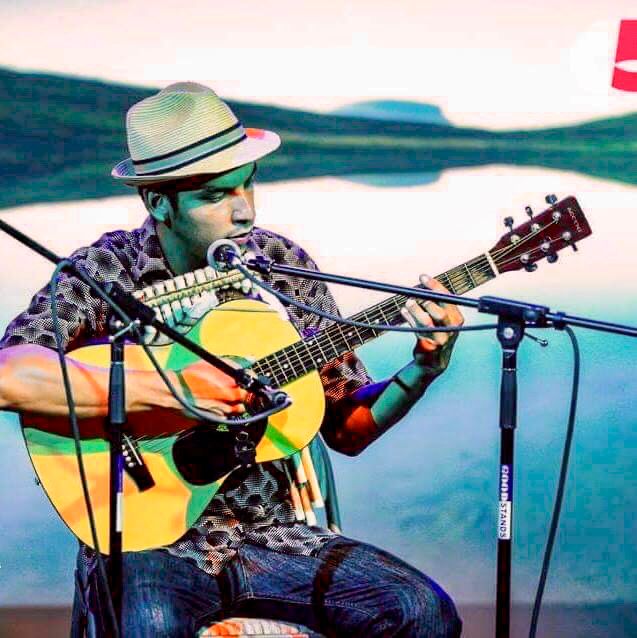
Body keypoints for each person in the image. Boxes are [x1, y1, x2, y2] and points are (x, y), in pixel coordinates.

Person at [0, 82, 464, 637]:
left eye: (248, 184)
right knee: (150, 625)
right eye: (216, 195)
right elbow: (9, 376)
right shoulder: (105, 272)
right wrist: (172, 391)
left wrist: (421, 371)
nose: (244, 211)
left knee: (423, 612)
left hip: (275, 537)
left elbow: (347, 429)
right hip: (148, 538)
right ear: (158, 202)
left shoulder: (281, 264)